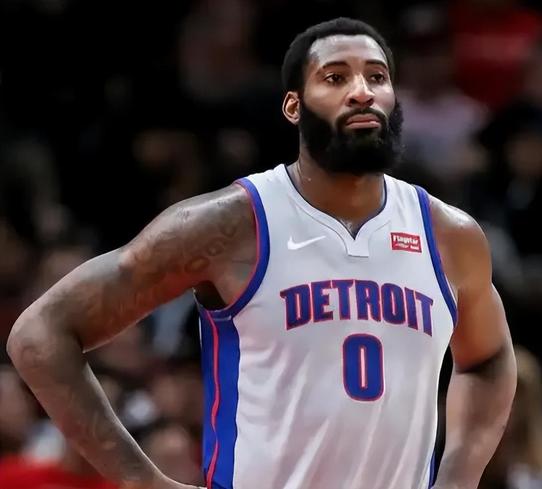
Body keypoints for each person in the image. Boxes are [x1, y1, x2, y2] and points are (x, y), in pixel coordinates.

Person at [6, 17, 516, 489]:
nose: (362, 91)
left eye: (376, 77)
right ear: (294, 106)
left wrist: (459, 477)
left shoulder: (448, 235)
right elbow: (39, 335)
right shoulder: (229, 225)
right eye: (335, 78)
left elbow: (489, 359)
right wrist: (141, 479)